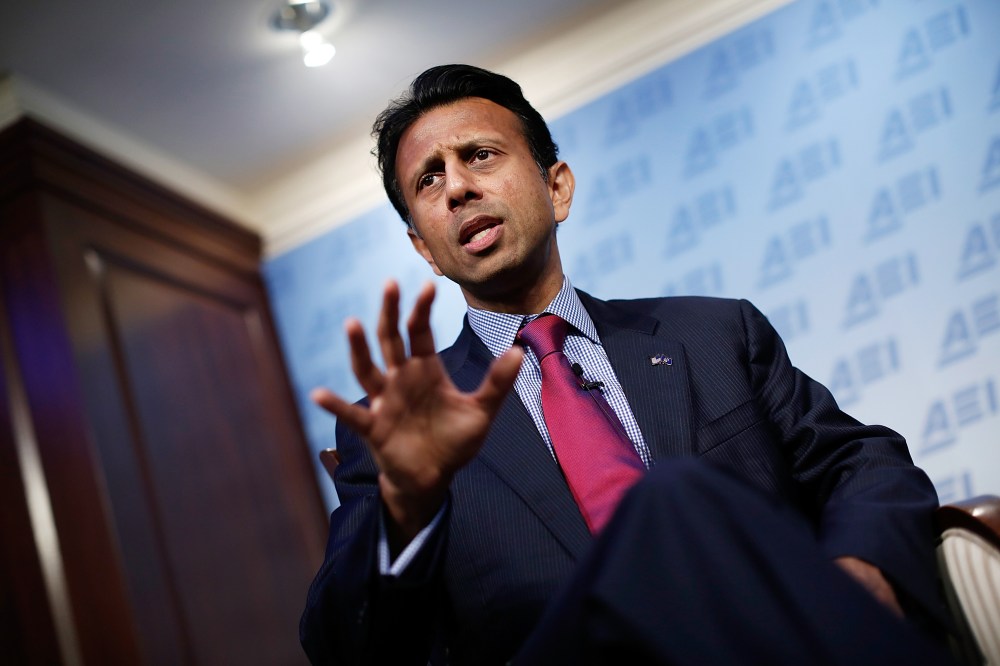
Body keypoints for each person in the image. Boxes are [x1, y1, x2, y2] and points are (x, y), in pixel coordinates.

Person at [299, 64, 952, 665]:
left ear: (557, 187)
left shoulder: (715, 333)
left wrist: (860, 570)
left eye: (480, 156)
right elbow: (343, 646)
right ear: (425, 249)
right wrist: (408, 509)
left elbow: (861, 464)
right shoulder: (391, 432)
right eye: (429, 180)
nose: (459, 188)